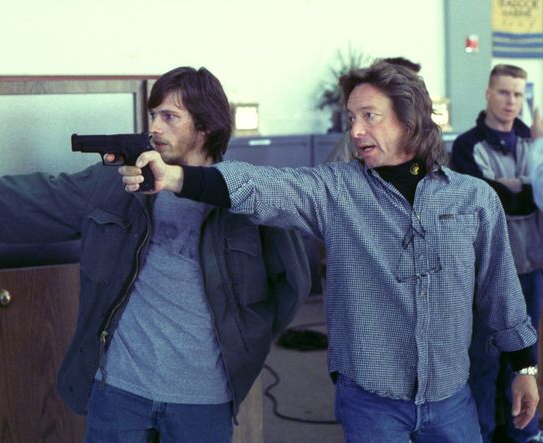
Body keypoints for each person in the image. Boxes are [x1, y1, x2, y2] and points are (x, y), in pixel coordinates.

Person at [119, 60, 540, 442]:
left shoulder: (473, 199)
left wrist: (524, 368)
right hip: (371, 403)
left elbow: (501, 290)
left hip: (451, 399)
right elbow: (262, 187)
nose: (355, 131)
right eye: (351, 118)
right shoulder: (337, 191)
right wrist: (177, 178)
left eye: (369, 116)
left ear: (409, 119)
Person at [0, 66, 311, 443]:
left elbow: (292, 285)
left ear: (204, 127)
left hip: (203, 398)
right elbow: (35, 198)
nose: (154, 127)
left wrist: (243, 344)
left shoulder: (246, 195)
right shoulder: (118, 184)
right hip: (120, 389)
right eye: (153, 115)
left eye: (170, 117)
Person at [450, 64, 543, 443]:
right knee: (484, 362)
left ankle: (526, 434)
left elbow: (532, 196)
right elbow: (484, 200)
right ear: (488, 94)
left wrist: (510, 188)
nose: (511, 101)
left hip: (530, 267)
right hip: (484, 274)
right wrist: (519, 187)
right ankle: (481, 435)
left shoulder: (533, 142)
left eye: (518, 94)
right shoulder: (466, 145)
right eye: (504, 92)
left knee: (524, 363)